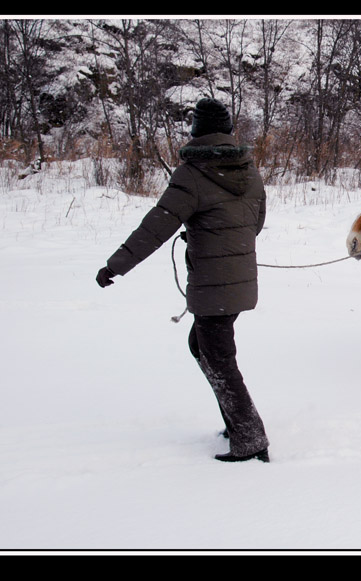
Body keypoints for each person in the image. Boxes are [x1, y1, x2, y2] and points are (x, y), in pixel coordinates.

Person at [96, 97, 270, 463]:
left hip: (212, 284)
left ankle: (250, 437)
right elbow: (253, 224)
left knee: (217, 355)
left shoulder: (193, 174)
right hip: (239, 280)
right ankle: (238, 422)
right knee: (202, 345)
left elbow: (156, 226)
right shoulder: (248, 169)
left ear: (197, 132)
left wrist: (116, 266)